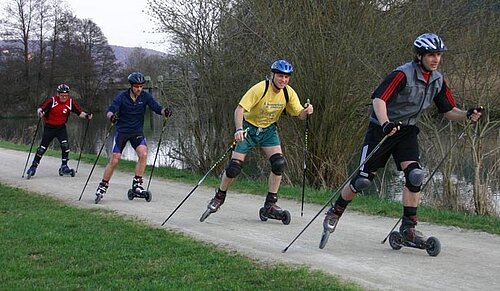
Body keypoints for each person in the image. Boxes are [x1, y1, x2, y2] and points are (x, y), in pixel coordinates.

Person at [320, 33, 483, 248]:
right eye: (431, 55)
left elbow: (448, 110)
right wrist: (386, 123)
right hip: (381, 130)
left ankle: (408, 229)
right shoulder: (402, 74)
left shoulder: (437, 80)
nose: (435, 59)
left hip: (406, 132)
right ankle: (336, 210)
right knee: (362, 180)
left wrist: (467, 115)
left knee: (415, 175)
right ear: (419, 56)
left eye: (438, 55)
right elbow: (379, 98)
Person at [200, 59, 314, 223]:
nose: (283, 80)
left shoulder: (288, 93)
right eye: (280, 76)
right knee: (234, 168)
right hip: (248, 128)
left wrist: (307, 111)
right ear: (273, 75)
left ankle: (270, 205)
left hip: (268, 130)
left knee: (279, 163)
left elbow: (300, 115)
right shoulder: (260, 88)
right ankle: (219, 196)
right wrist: (239, 129)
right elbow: (239, 109)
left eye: (287, 77)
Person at [94, 72, 172, 204]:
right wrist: (112, 117)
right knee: (115, 160)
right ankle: (103, 185)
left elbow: (156, 108)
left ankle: (137, 184)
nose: (139, 89)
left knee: (143, 154)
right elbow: (110, 110)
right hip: (122, 132)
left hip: (137, 132)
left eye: (141, 86)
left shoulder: (145, 96)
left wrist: (165, 112)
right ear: (131, 86)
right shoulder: (122, 97)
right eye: (137, 86)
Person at [26, 84, 93, 179]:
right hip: (49, 128)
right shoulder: (52, 101)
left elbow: (79, 112)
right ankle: (33, 167)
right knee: (42, 148)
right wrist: (40, 113)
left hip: (61, 128)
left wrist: (87, 116)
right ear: (58, 94)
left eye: (66, 95)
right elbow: (41, 108)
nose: (64, 97)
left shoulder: (70, 102)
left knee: (65, 145)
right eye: (62, 95)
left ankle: (64, 166)